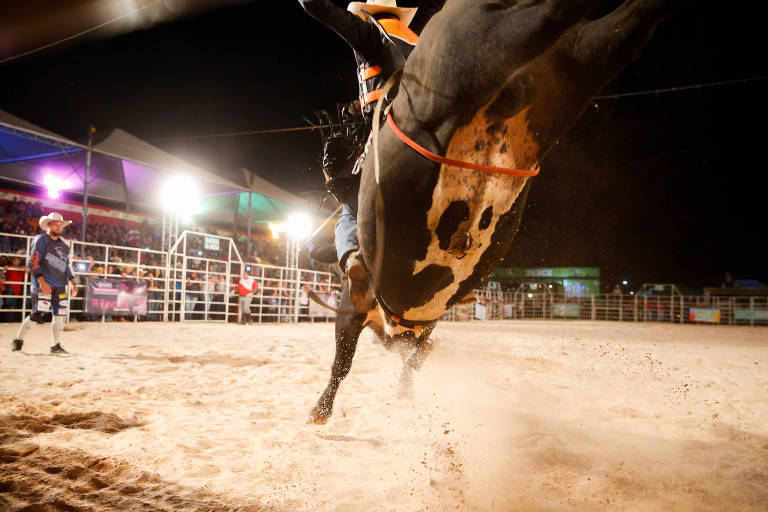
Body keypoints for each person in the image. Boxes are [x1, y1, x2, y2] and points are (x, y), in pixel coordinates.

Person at [298, 0, 419, 305]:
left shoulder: (370, 33)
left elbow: (318, 8)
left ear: (367, 14)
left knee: (352, 206)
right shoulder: (417, 42)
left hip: (389, 131)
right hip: (425, 136)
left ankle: (352, 256)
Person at [11, 212, 77, 354]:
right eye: (55, 223)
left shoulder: (64, 245)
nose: (58, 226)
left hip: (60, 284)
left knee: (59, 315)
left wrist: (73, 281)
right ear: (48, 225)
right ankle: (18, 340)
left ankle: (55, 345)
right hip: (43, 284)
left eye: (60, 224)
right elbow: (33, 262)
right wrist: (42, 282)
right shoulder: (41, 240)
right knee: (37, 314)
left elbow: (66, 265)